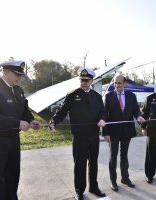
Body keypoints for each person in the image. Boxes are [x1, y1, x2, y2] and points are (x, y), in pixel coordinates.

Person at [0, 59, 41, 200]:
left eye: (21, 75)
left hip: (13, 140)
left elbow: (25, 111)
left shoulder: (19, 90)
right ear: (6, 72)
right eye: (17, 74)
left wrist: (31, 120)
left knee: (13, 175)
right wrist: (17, 123)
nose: (20, 78)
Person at [48, 67, 106, 200]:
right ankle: (79, 190)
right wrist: (53, 122)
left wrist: (102, 119)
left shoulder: (97, 97)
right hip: (79, 137)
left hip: (94, 136)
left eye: (86, 80)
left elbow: (103, 112)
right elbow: (62, 112)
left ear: (92, 81)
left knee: (94, 163)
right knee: (80, 164)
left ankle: (94, 187)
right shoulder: (73, 95)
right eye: (82, 80)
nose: (84, 82)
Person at [102, 75, 145, 192]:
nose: (117, 85)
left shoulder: (131, 96)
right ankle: (113, 181)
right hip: (113, 132)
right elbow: (104, 115)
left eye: (119, 83)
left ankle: (125, 178)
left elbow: (136, 110)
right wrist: (105, 132)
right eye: (115, 83)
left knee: (124, 156)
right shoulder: (109, 96)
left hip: (127, 131)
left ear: (124, 83)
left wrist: (139, 117)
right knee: (113, 156)